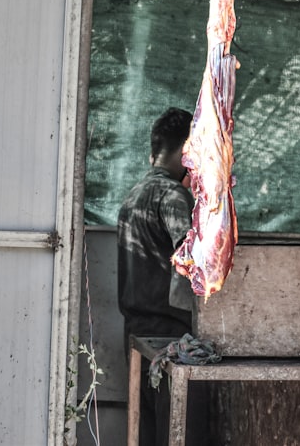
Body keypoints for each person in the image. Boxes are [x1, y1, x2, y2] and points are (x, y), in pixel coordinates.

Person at [117, 107, 195, 446]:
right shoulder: (173, 196)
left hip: (136, 329)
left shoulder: (133, 195)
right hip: (168, 334)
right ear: (186, 151)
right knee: (174, 430)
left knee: (146, 428)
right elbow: (192, 261)